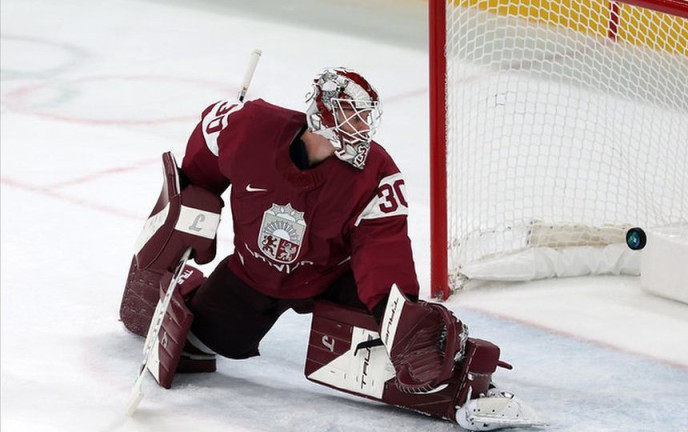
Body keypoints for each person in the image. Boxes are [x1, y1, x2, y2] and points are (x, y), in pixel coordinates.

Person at [119, 67, 541, 430]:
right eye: (351, 116)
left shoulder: (376, 174)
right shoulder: (249, 127)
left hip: (333, 276)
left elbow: (383, 250)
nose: (361, 128)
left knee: (401, 338)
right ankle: (185, 292)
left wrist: (401, 315)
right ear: (321, 115)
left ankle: (466, 382)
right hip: (252, 274)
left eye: (364, 120)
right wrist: (193, 209)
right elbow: (202, 155)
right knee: (214, 339)